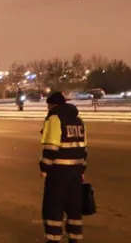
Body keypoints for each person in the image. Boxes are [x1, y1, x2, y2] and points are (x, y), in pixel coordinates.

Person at [39, 91, 87, 243]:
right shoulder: (78, 120)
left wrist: (44, 168)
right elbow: (83, 148)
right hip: (76, 171)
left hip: (58, 172)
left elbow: (51, 147)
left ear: (53, 105)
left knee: (53, 208)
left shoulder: (55, 118)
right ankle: (74, 238)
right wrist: (82, 170)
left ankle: (53, 240)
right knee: (74, 209)